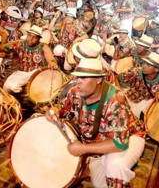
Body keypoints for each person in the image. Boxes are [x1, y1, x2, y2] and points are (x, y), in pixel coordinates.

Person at [46, 57, 145, 187]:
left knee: (115, 167)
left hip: (129, 137)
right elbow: (62, 108)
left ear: (99, 79)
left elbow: (120, 143)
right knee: (100, 185)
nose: (78, 82)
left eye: (84, 78)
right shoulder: (75, 91)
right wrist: (55, 110)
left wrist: (83, 149)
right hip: (98, 141)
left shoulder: (115, 100)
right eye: (77, 77)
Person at [0, 25, 58, 93]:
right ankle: (22, 90)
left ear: (39, 39)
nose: (30, 39)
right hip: (22, 73)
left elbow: (50, 58)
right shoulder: (20, 43)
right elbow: (3, 48)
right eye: (29, 35)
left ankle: (29, 90)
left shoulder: (43, 46)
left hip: (36, 73)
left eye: (34, 37)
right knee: (7, 87)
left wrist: (52, 62)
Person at [118, 52, 159, 117]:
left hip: (149, 106)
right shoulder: (136, 71)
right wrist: (120, 91)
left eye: (148, 65)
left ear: (156, 69)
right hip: (130, 99)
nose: (143, 66)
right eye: (144, 63)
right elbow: (117, 78)